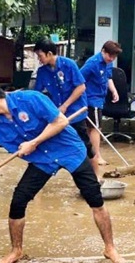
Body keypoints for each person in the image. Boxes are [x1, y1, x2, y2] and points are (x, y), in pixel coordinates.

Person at [0, 76, 125, 263]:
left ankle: (110, 248)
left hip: (70, 151)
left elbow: (61, 121)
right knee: (18, 201)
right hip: (42, 161)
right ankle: (16, 250)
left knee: (95, 199)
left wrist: (34, 142)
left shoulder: (31, 99)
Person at [32, 39, 98, 178]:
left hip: (75, 112)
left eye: (40, 56)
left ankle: (96, 177)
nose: (39, 59)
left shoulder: (69, 65)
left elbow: (81, 87)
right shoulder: (42, 71)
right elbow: (37, 94)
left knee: (85, 146)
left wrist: (65, 105)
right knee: (48, 145)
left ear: (49, 53)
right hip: (57, 117)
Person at [80, 41, 121, 168]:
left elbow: (109, 78)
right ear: (103, 51)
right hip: (91, 99)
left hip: (100, 99)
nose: (112, 59)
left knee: (92, 128)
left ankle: (89, 155)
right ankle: (97, 156)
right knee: (96, 128)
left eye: (114, 57)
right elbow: (79, 79)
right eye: (110, 56)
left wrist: (114, 91)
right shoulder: (92, 63)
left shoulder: (109, 62)